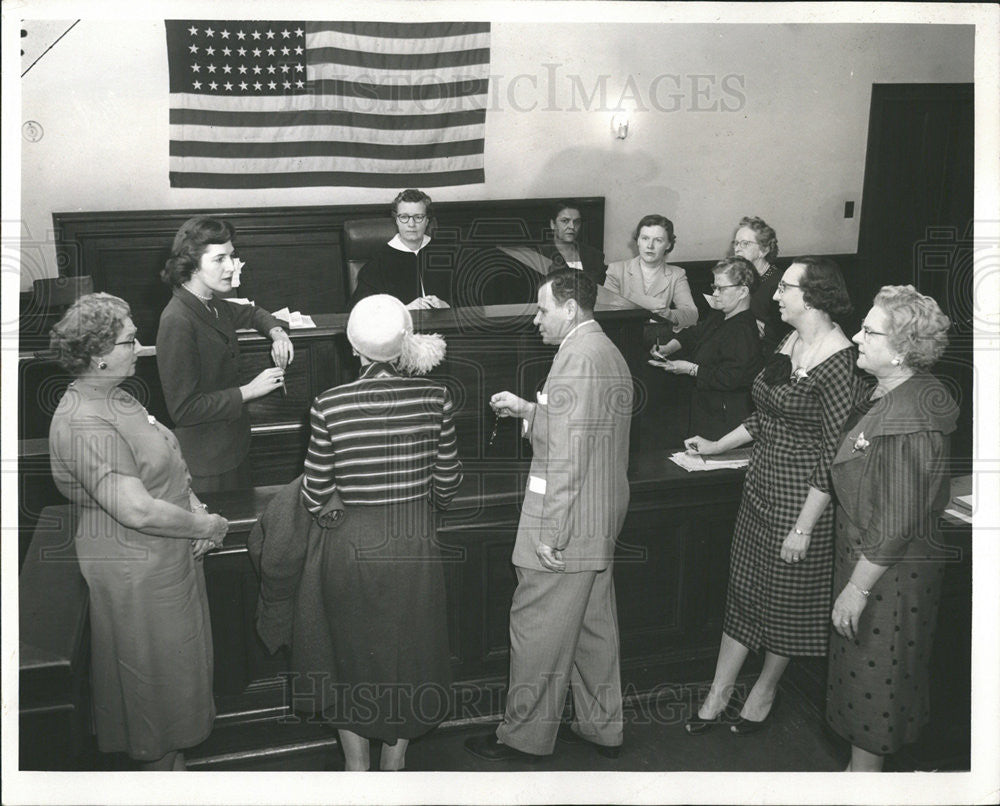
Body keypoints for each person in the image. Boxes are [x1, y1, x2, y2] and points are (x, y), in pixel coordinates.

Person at [47, 293, 228, 771]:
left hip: (167, 562)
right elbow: (136, 509)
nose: (139, 346)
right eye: (130, 340)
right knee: (154, 706)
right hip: (136, 571)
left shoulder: (116, 395)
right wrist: (206, 524)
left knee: (177, 693)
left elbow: (165, 458)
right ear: (98, 353)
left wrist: (193, 505)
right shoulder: (86, 418)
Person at [683, 257, 858, 735]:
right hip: (760, 486)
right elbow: (769, 412)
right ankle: (719, 691)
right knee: (742, 591)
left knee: (785, 601)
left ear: (814, 296)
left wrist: (803, 527)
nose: (776, 295)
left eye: (785, 288)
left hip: (803, 501)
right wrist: (718, 445)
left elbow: (834, 452)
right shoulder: (789, 340)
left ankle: (764, 689)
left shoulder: (842, 362)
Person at [464, 268, 633, 762]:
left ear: (571, 308)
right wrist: (527, 411)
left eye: (542, 309)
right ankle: (602, 727)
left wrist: (552, 531)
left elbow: (568, 454)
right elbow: (577, 429)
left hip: (566, 519)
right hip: (598, 516)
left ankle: (523, 738)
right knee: (591, 627)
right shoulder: (602, 348)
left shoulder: (576, 357)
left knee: (536, 626)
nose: (536, 319)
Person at [290, 294, 463, 771]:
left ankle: (356, 767)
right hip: (414, 541)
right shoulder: (436, 397)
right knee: (412, 652)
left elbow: (314, 492)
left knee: (350, 657)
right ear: (405, 343)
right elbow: (447, 483)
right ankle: (395, 763)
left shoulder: (330, 404)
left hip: (352, 542)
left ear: (354, 348)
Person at [826, 286, 958, 772]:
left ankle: (864, 782)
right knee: (864, 677)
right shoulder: (889, 391)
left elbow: (899, 520)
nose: (857, 337)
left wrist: (857, 590)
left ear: (902, 350)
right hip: (873, 564)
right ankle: (859, 775)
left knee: (876, 684)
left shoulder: (914, 417)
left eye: (869, 331)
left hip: (887, 577)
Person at [157, 216, 293, 493]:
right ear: (192, 264)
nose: (231, 267)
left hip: (232, 450)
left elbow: (253, 313)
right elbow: (184, 410)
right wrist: (249, 391)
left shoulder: (210, 304)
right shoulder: (177, 319)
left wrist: (277, 334)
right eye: (219, 259)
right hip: (205, 465)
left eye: (232, 257)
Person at [648, 257, 763, 439]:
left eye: (721, 288)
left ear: (743, 292)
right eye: (714, 287)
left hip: (725, 418)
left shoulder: (743, 331)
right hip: (707, 408)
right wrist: (668, 348)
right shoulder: (721, 316)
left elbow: (730, 378)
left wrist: (690, 369)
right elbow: (694, 333)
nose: (715, 294)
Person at [350, 188, 450, 309]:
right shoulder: (379, 261)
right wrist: (404, 309)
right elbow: (361, 308)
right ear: (396, 220)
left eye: (418, 217)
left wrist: (447, 306)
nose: (411, 224)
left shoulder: (446, 253)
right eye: (404, 217)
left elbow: (470, 298)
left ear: (427, 221)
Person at [605, 214, 699, 342]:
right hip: (621, 339)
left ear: (668, 245)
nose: (650, 246)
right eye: (645, 238)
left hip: (658, 341)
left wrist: (669, 314)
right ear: (637, 240)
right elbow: (606, 313)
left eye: (658, 240)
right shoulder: (616, 270)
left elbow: (692, 315)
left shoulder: (677, 274)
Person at [731, 215, 789, 356]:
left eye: (745, 243)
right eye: (736, 243)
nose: (737, 249)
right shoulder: (735, 277)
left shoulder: (779, 282)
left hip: (765, 355)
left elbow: (785, 332)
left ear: (764, 250)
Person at [536, 200, 608, 286]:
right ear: (553, 224)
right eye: (565, 221)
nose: (572, 227)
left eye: (576, 222)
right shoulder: (538, 254)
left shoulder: (594, 256)